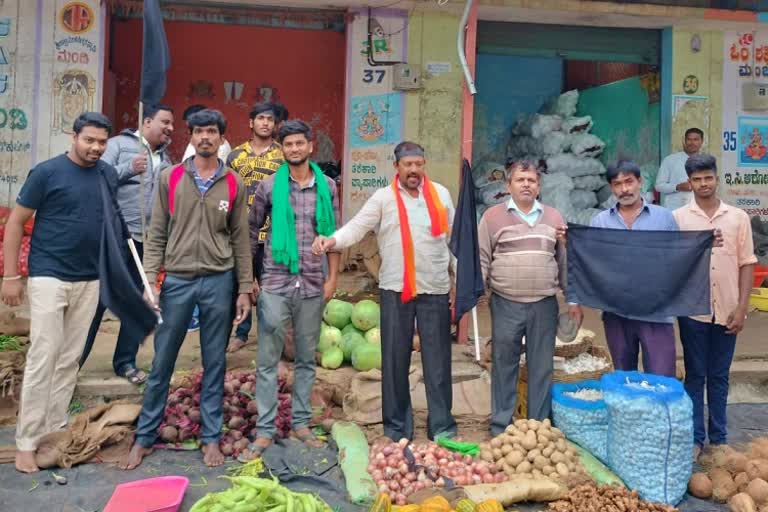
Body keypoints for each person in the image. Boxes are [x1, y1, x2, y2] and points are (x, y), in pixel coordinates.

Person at [120, 109, 253, 470]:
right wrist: (151, 282)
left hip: (219, 281)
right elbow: (156, 231)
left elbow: (241, 239)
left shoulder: (234, 183)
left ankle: (210, 438)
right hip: (177, 280)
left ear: (222, 138)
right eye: (198, 131)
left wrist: (243, 288)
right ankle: (144, 437)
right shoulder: (170, 177)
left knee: (215, 362)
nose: (204, 137)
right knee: (162, 361)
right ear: (190, 137)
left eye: (211, 131)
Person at [313, 141, 457, 442]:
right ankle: (396, 427)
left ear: (424, 165)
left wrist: (463, 275)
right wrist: (332, 241)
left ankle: (441, 425)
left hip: (435, 289)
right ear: (397, 167)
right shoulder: (384, 198)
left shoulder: (441, 195)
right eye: (408, 165)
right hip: (396, 288)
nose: (414, 170)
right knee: (394, 359)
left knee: (438, 360)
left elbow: (451, 240)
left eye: (419, 164)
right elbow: (357, 227)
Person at [2, 112, 118, 473]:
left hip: (90, 278)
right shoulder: (47, 173)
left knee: (69, 359)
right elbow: (17, 223)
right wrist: (10, 276)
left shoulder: (108, 175)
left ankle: (53, 430)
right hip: (49, 275)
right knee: (43, 356)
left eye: (102, 142)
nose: (95, 147)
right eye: (89, 140)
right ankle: (26, 441)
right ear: (74, 136)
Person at [238, 120, 339, 460]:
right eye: (288, 144)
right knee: (268, 359)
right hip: (276, 282)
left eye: (299, 143)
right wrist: (250, 278)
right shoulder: (268, 187)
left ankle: (300, 423)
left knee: (307, 358)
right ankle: (265, 430)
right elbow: (251, 233)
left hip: (312, 281)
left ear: (310, 146)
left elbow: (334, 237)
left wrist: (333, 279)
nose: (294, 149)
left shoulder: (328, 187)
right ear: (282, 149)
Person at [478, 160, 580, 433]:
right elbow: (482, 258)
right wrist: (480, 293)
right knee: (504, 364)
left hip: (544, 304)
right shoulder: (491, 217)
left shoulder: (554, 218)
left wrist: (572, 299)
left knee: (541, 366)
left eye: (531, 180)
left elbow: (564, 261)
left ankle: (538, 426)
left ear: (539, 186)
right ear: (508, 185)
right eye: (520, 180)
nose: (526, 184)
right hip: (505, 302)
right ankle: (501, 425)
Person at [79, 104, 174, 384]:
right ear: (147, 121)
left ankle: (125, 362)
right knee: (96, 302)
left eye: (172, 124)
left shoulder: (166, 160)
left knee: (137, 303)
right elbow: (97, 177)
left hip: (145, 242)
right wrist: (129, 168)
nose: (170, 128)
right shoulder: (118, 145)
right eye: (165, 122)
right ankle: (74, 361)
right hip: (114, 238)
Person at [673, 153, 755, 460]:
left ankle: (719, 440)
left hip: (729, 309)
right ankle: (696, 439)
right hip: (693, 310)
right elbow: (673, 261)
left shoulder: (737, 217)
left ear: (717, 178)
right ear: (689, 183)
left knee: (720, 376)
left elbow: (747, 264)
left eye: (708, 177)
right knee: (695, 374)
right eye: (697, 179)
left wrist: (742, 306)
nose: (703, 184)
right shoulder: (680, 219)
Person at [570, 161, 679, 377]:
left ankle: (658, 412)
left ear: (640, 182)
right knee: (623, 376)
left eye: (629, 182)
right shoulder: (601, 221)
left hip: (655, 312)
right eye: (617, 184)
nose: (624, 189)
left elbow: (677, 259)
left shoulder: (663, 217)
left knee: (661, 376)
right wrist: (570, 242)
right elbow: (589, 262)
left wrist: (704, 245)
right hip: (616, 311)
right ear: (612, 188)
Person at [225, 102, 285, 352]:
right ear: (251, 123)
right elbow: (227, 191)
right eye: (260, 118)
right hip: (242, 232)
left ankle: (268, 334)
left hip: (272, 232)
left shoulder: (283, 155)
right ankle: (241, 332)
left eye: (270, 119)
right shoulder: (236, 156)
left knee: (270, 284)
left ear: (275, 125)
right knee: (242, 282)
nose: (265, 123)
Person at [655, 127, 704, 210]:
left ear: (701, 141)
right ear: (684, 141)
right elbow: (658, 186)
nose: (692, 143)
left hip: (698, 211)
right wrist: (677, 187)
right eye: (689, 139)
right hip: (673, 211)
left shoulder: (706, 162)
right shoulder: (670, 160)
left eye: (696, 139)